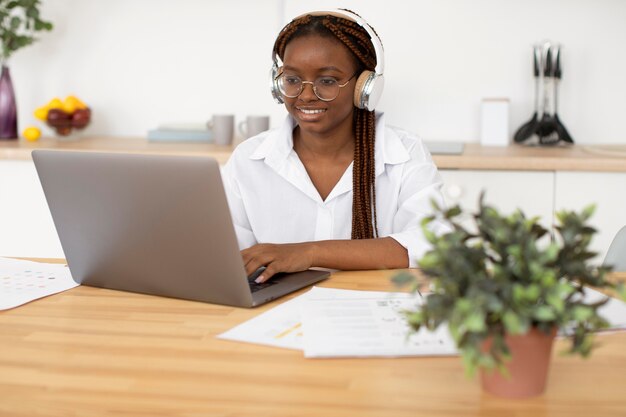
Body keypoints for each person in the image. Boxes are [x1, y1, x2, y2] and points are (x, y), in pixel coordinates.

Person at [222, 9, 446, 283]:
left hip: (371, 311)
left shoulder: (405, 153)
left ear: (364, 87)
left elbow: (431, 245)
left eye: (327, 81)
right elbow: (227, 254)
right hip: (275, 313)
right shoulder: (248, 159)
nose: (305, 95)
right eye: (292, 80)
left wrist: (309, 252)